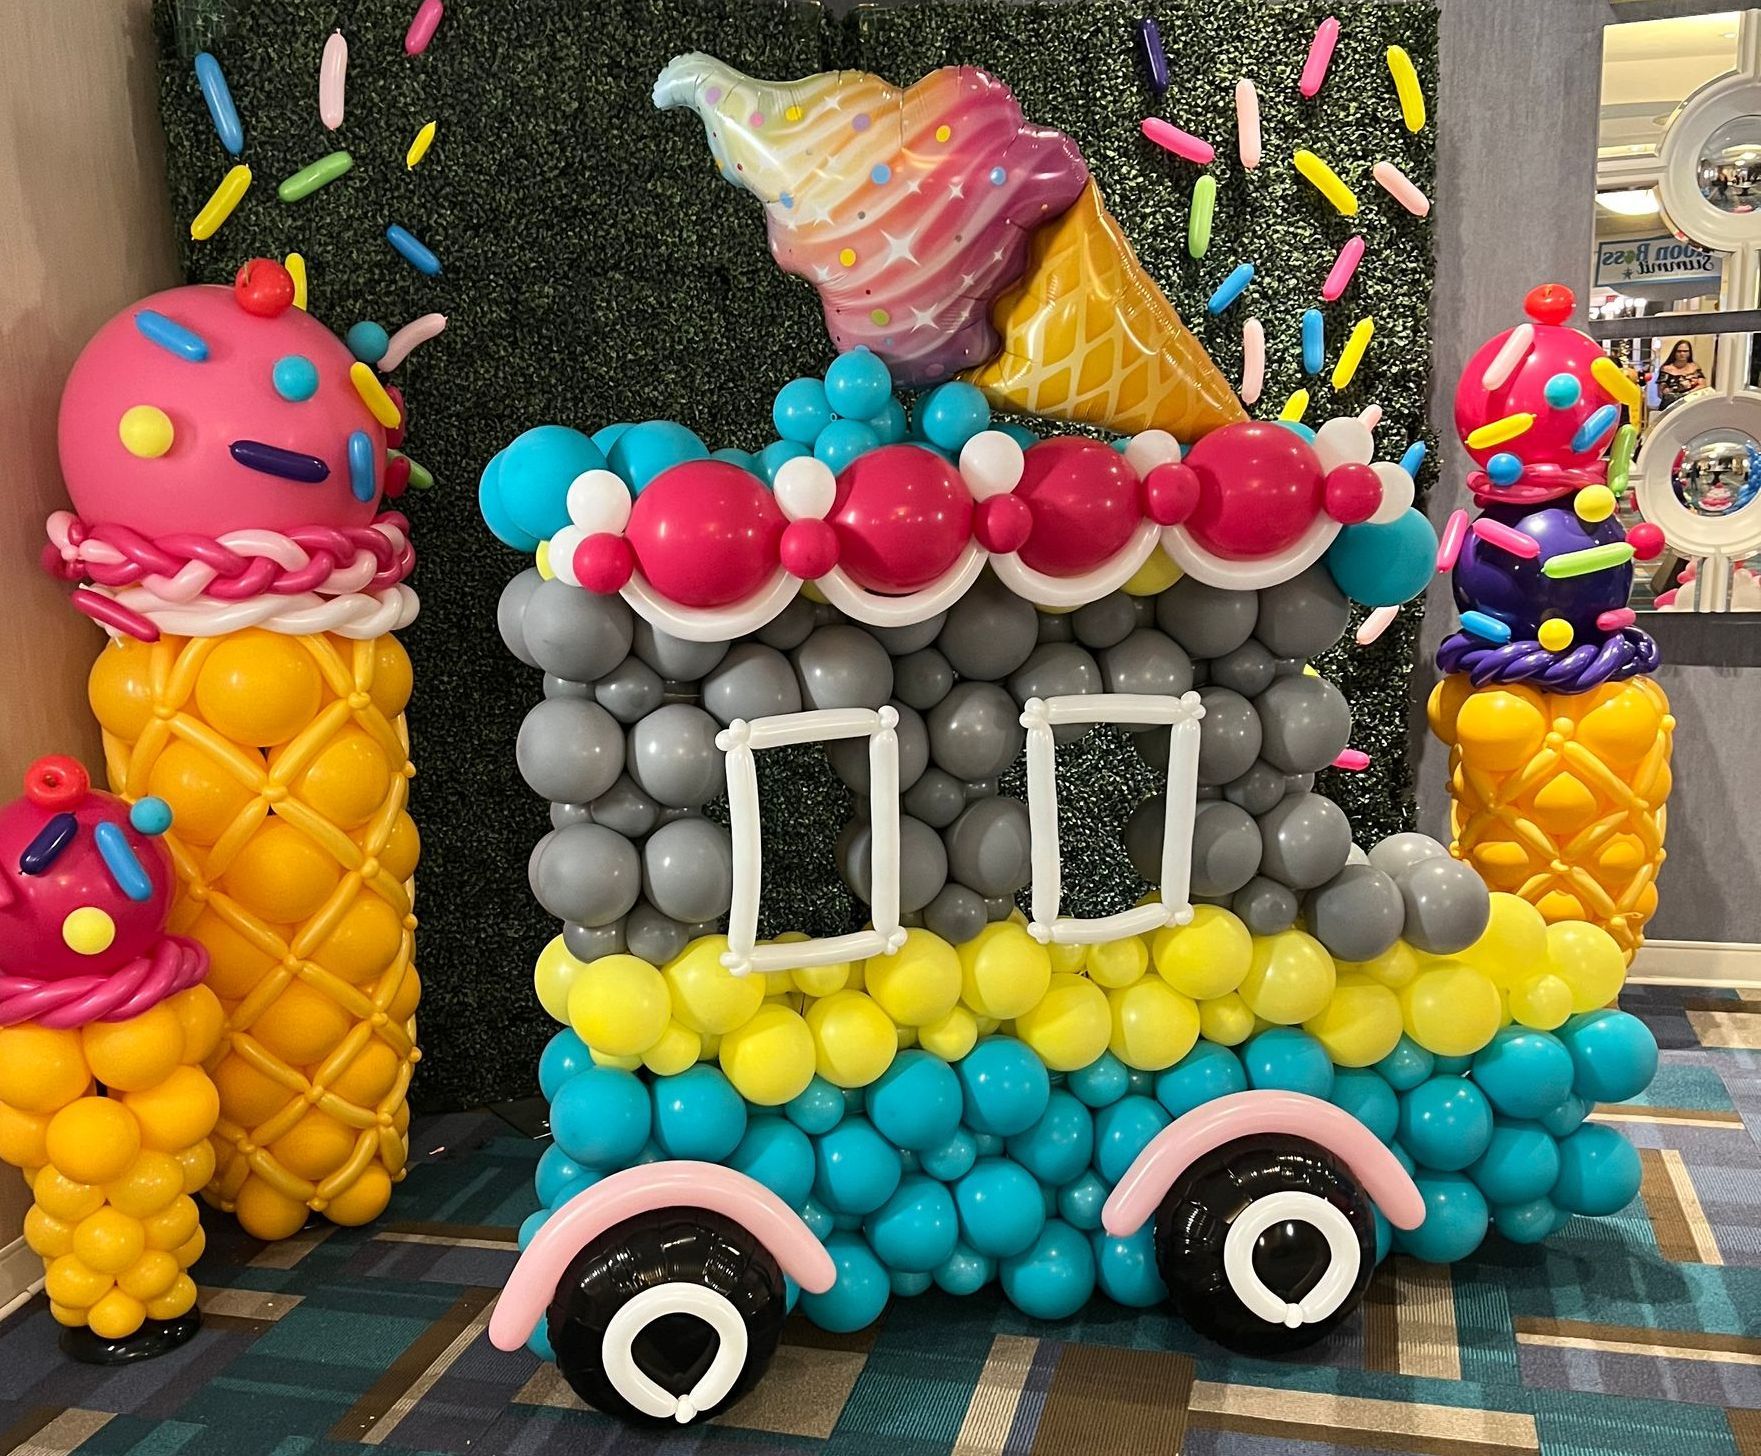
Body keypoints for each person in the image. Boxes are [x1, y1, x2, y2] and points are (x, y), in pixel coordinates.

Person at [1657, 340, 1708, 406]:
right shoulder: (1666, 369)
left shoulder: (1695, 367)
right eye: (1679, 351)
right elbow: (1660, 393)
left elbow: (1703, 386)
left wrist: (1688, 393)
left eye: (1685, 351)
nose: (1682, 354)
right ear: (1674, 352)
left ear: (1689, 353)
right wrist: (1677, 389)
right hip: (1671, 405)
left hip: (1691, 404)